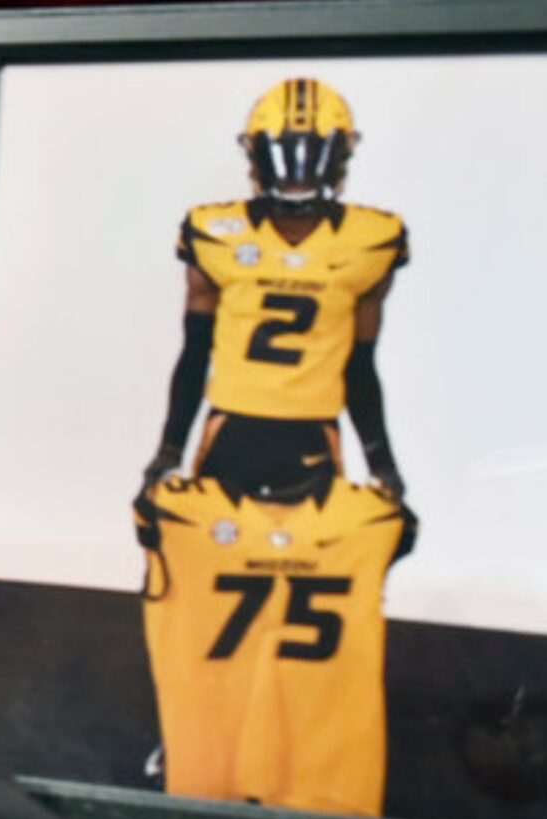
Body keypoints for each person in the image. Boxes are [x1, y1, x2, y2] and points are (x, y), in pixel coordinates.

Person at [144, 77, 409, 501]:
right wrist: (168, 451)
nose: (297, 175)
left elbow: (358, 367)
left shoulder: (216, 233)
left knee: (310, 563)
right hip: (252, 430)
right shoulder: (371, 237)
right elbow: (196, 352)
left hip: (295, 433)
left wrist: (383, 465)